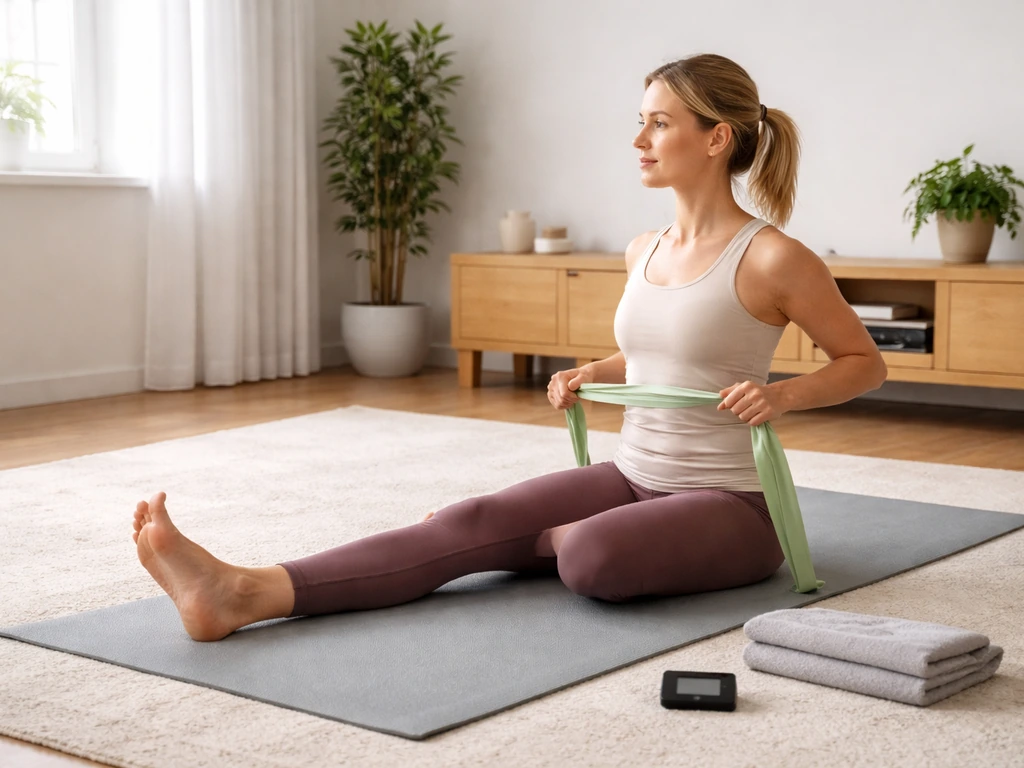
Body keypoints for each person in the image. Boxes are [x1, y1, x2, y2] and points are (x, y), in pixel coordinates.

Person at [132, 53, 887, 642]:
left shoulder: (774, 258)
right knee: (462, 521)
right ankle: (239, 592)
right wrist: (594, 372)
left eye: (659, 123)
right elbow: (671, 357)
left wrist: (782, 393)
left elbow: (864, 363)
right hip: (630, 476)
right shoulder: (643, 249)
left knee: (590, 557)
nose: (638, 140)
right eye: (641, 120)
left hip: (730, 508)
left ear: (716, 138)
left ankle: (547, 541)